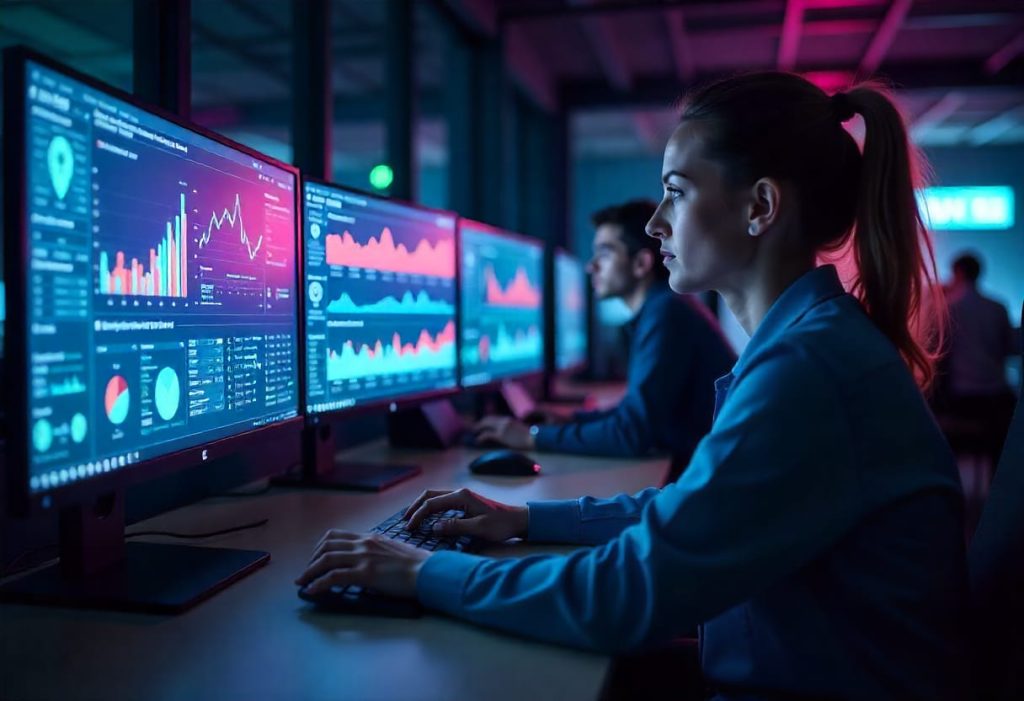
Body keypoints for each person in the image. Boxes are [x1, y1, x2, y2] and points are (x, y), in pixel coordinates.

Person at [297, 72, 969, 700]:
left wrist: (420, 571)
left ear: (761, 206)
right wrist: (526, 518)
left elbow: (626, 594)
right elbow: (692, 509)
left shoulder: (809, 369)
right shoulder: (811, 344)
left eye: (677, 191)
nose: (655, 224)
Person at [471, 200, 736, 473]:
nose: (591, 267)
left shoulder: (666, 313)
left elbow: (632, 432)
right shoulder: (663, 307)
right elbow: (634, 413)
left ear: (641, 263)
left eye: (604, 253)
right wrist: (569, 420)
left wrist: (532, 437)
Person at [934, 252, 1019, 472]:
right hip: (996, 396)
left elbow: (939, 353)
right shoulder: (998, 307)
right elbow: (1011, 347)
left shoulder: (949, 308)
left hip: (962, 397)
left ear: (958, 273)